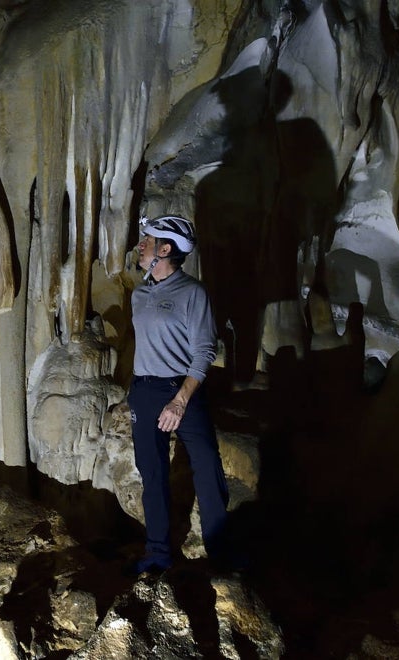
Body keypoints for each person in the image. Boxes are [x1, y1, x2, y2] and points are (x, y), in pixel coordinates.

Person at [127, 214, 230, 574]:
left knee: (206, 465)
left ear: (165, 249)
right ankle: (157, 552)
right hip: (144, 390)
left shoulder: (192, 293)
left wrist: (180, 400)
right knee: (152, 473)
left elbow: (204, 351)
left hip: (181, 389)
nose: (140, 246)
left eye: (148, 240)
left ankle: (220, 551)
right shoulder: (139, 294)